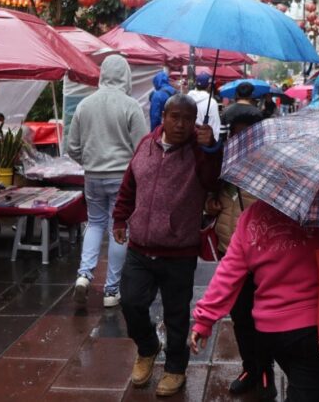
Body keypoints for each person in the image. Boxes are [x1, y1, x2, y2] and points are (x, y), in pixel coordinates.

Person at [190, 199, 319, 402]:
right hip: (317, 329)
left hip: (269, 330)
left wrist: (204, 319)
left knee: (299, 385)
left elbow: (229, 272)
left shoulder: (252, 215)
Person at [113, 94, 222, 397]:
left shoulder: (199, 153)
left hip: (179, 250)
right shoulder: (146, 144)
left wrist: (211, 147)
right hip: (140, 246)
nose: (181, 124)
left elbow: (214, 180)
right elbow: (129, 185)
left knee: (176, 314)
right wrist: (120, 219)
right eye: (175, 117)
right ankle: (147, 347)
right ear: (164, 116)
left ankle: (175, 368)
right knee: (131, 302)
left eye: (188, 118)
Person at [67, 54, 148, 308]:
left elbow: (72, 147)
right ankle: (111, 290)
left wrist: (89, 161)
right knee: (118, 228)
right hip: (122, 178)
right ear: (125, 75)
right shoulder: (130, 105)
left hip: (93, 176)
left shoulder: (84, 105)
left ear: (102, 74)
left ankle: (84, 275)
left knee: (94, 223)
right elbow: (143, 148)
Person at [209, 112, 274, 400]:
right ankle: (250, 368)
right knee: (241, 317)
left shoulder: (272, 163)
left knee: (264, 317)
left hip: (264, 256)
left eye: (247, 133)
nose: (241, 139)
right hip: (230, 251)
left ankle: (265, 371)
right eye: (235, 133)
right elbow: (207, 187)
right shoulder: (222, 162)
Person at [187, 71, 222, 140]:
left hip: (187, 140)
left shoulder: (186, 98)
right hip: (203, 141)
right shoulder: (212, 102)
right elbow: (215, 127)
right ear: (209, 86)